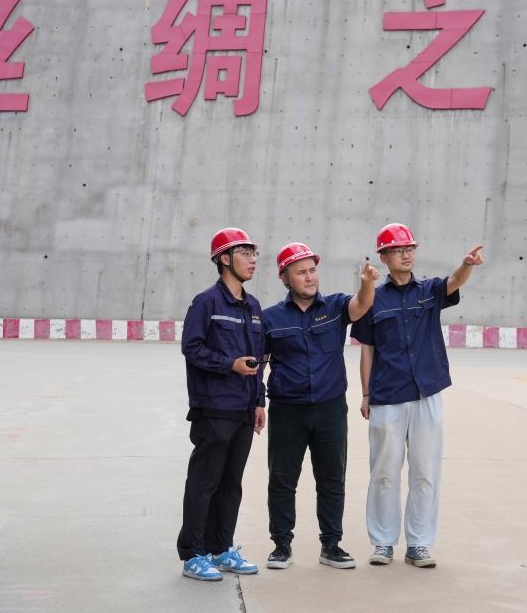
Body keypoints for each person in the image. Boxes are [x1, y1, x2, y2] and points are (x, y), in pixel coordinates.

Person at [350, 223, 484, 568]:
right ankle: (382, 543)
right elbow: (367, 349)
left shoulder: (429, 290)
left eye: (410, 248)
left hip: (427, 393)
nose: (406, 255)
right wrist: (365, 394)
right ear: (384, 257)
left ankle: (419, 544)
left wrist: (466, 264)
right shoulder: (373, 299)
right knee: (384, 473)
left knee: (425, 472)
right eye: (398, 250)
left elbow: (454, 282)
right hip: (387, 395)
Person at [262, 242, 380, 570]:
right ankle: (281, 546)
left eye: (312, 270)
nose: (310, 277)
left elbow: (361, 305)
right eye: (301, 272)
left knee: (331, 479)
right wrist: (257, 403)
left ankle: (331, 545)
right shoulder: (270, 318)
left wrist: (367, 283)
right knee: (282, 479)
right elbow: (259, 363)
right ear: (284, 278)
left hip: (330, 409)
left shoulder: (336, 306)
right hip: (287, 410)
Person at [176, 227, 267, 581]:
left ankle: (221, 548)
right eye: (244, 253)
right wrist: (229, 364)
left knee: (231, 484)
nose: (252, 260)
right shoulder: (207, 302)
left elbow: (259, 357)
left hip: (244, 408)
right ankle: (193, 554)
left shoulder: (253, 306)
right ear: (224, 259)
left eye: (254, 253)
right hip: (213, 408)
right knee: (205, 482)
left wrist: (258, 401)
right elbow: (192, 347)